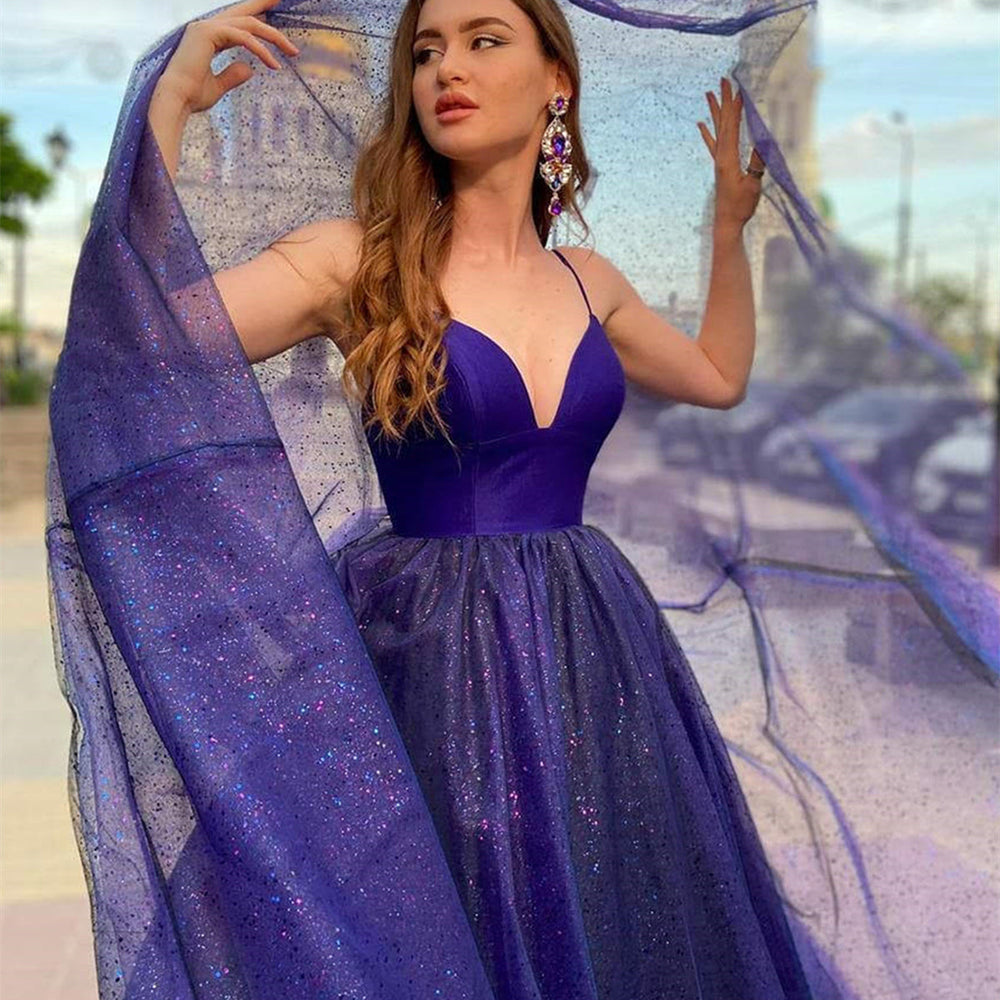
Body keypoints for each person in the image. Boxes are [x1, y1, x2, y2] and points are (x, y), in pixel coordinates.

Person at [45, 1, 999, 998]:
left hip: (596, 655)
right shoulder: (357, 262)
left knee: (619, 924)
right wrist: (167, 110)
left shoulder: (588, 281)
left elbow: (718, 374)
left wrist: (728, 228)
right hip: (429, 657)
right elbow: (132, 347)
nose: (446, 68)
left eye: (484, 39)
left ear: (556, 84)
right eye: (426, 50)